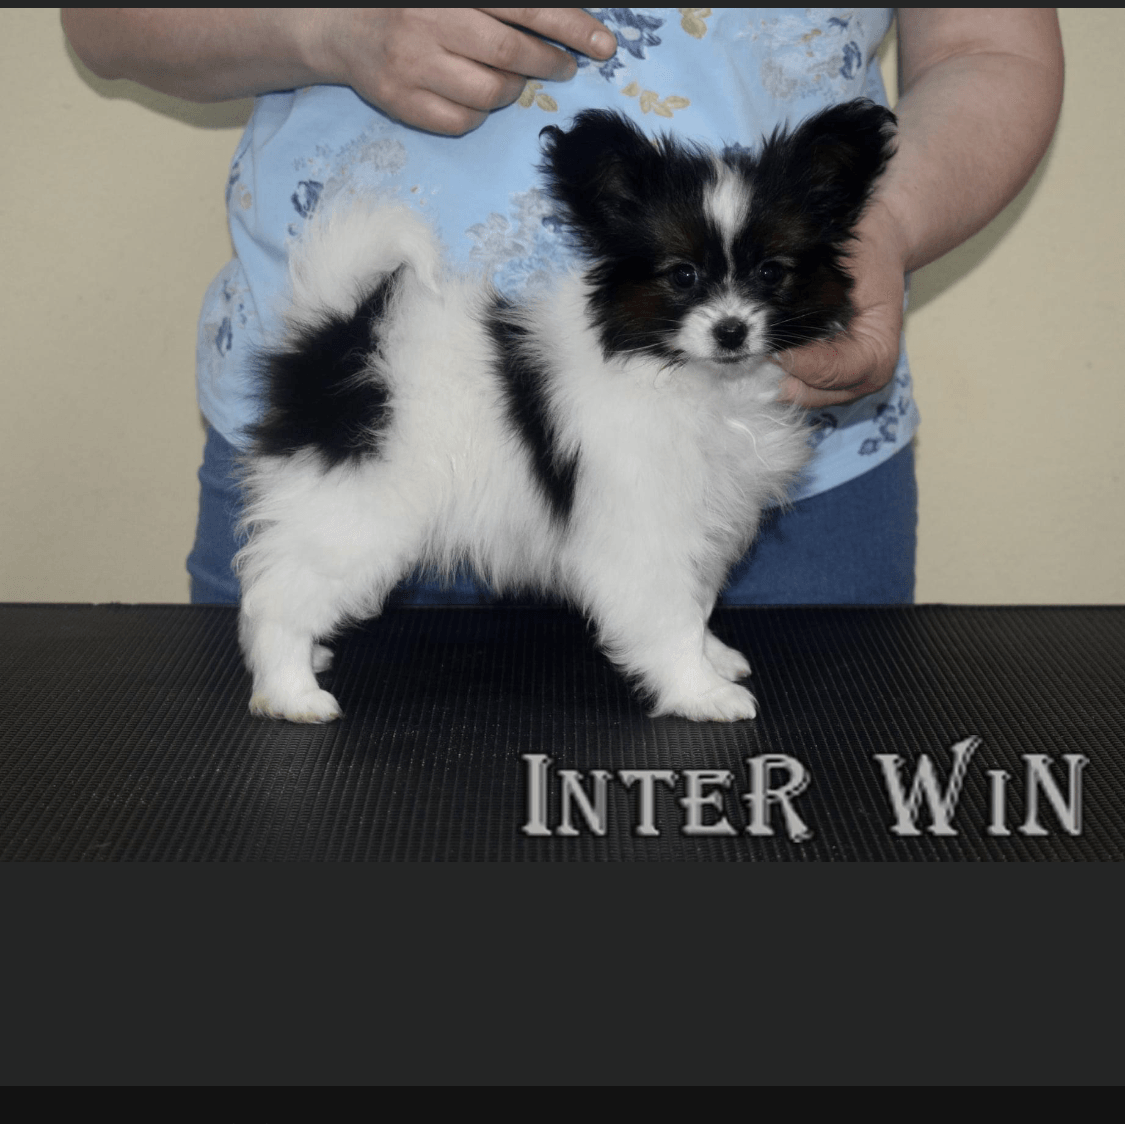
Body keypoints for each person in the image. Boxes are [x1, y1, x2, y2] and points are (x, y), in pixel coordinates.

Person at [62, 8, 1064, 606]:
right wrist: (330, 22)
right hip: (369, 412)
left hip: (797, 475)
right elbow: (106, 20)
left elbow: (989, 42)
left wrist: (882, 226)